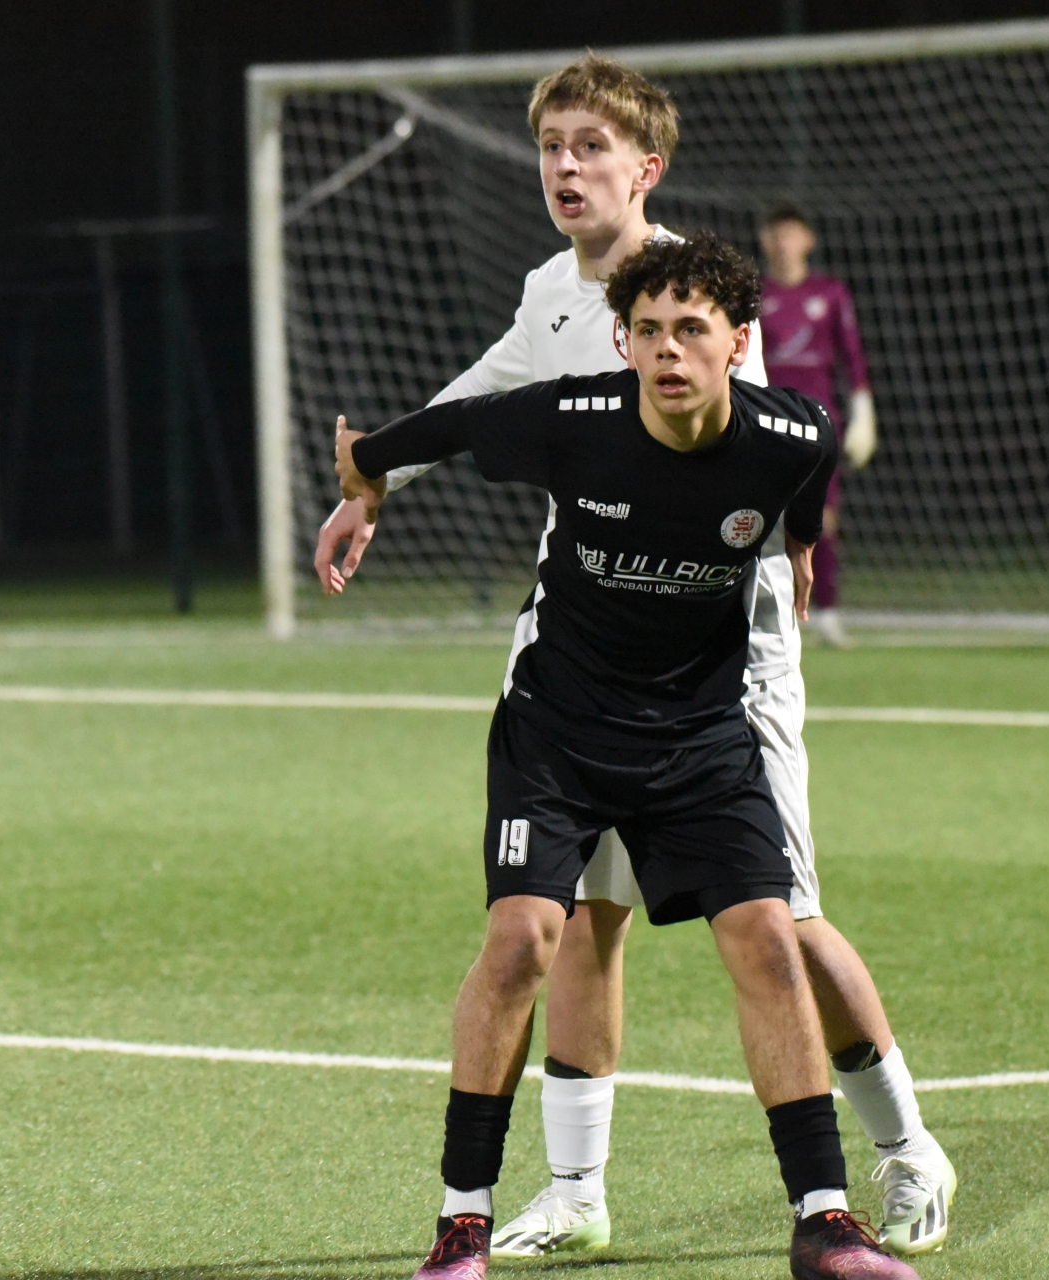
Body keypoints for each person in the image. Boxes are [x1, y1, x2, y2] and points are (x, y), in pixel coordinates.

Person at [314, 56, 955, 1260]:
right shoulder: (552, 290)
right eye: (551, 145)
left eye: (590, 147)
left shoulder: (694, 303)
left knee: (786, 918)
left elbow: (767, 463)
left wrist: (797, 561)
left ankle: (906, 1141)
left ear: (644, 167)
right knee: (585, 914)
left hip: (725, 663)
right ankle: (577, 1186)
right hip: (593, 652)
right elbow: (487, 394)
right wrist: (376, 480)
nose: (564, 166)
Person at [759, 205, 878, 649]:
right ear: (765, 240)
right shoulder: (753, 295)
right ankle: (761, 611)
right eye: (776, 234)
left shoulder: (829, 293)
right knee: (758, 518)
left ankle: (825, 613)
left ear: (808, 240)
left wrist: (863, 409)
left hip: (817, 420)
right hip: (764, 418)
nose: (783, 243)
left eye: (791, 234)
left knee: (822, 520)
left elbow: (852, 355)